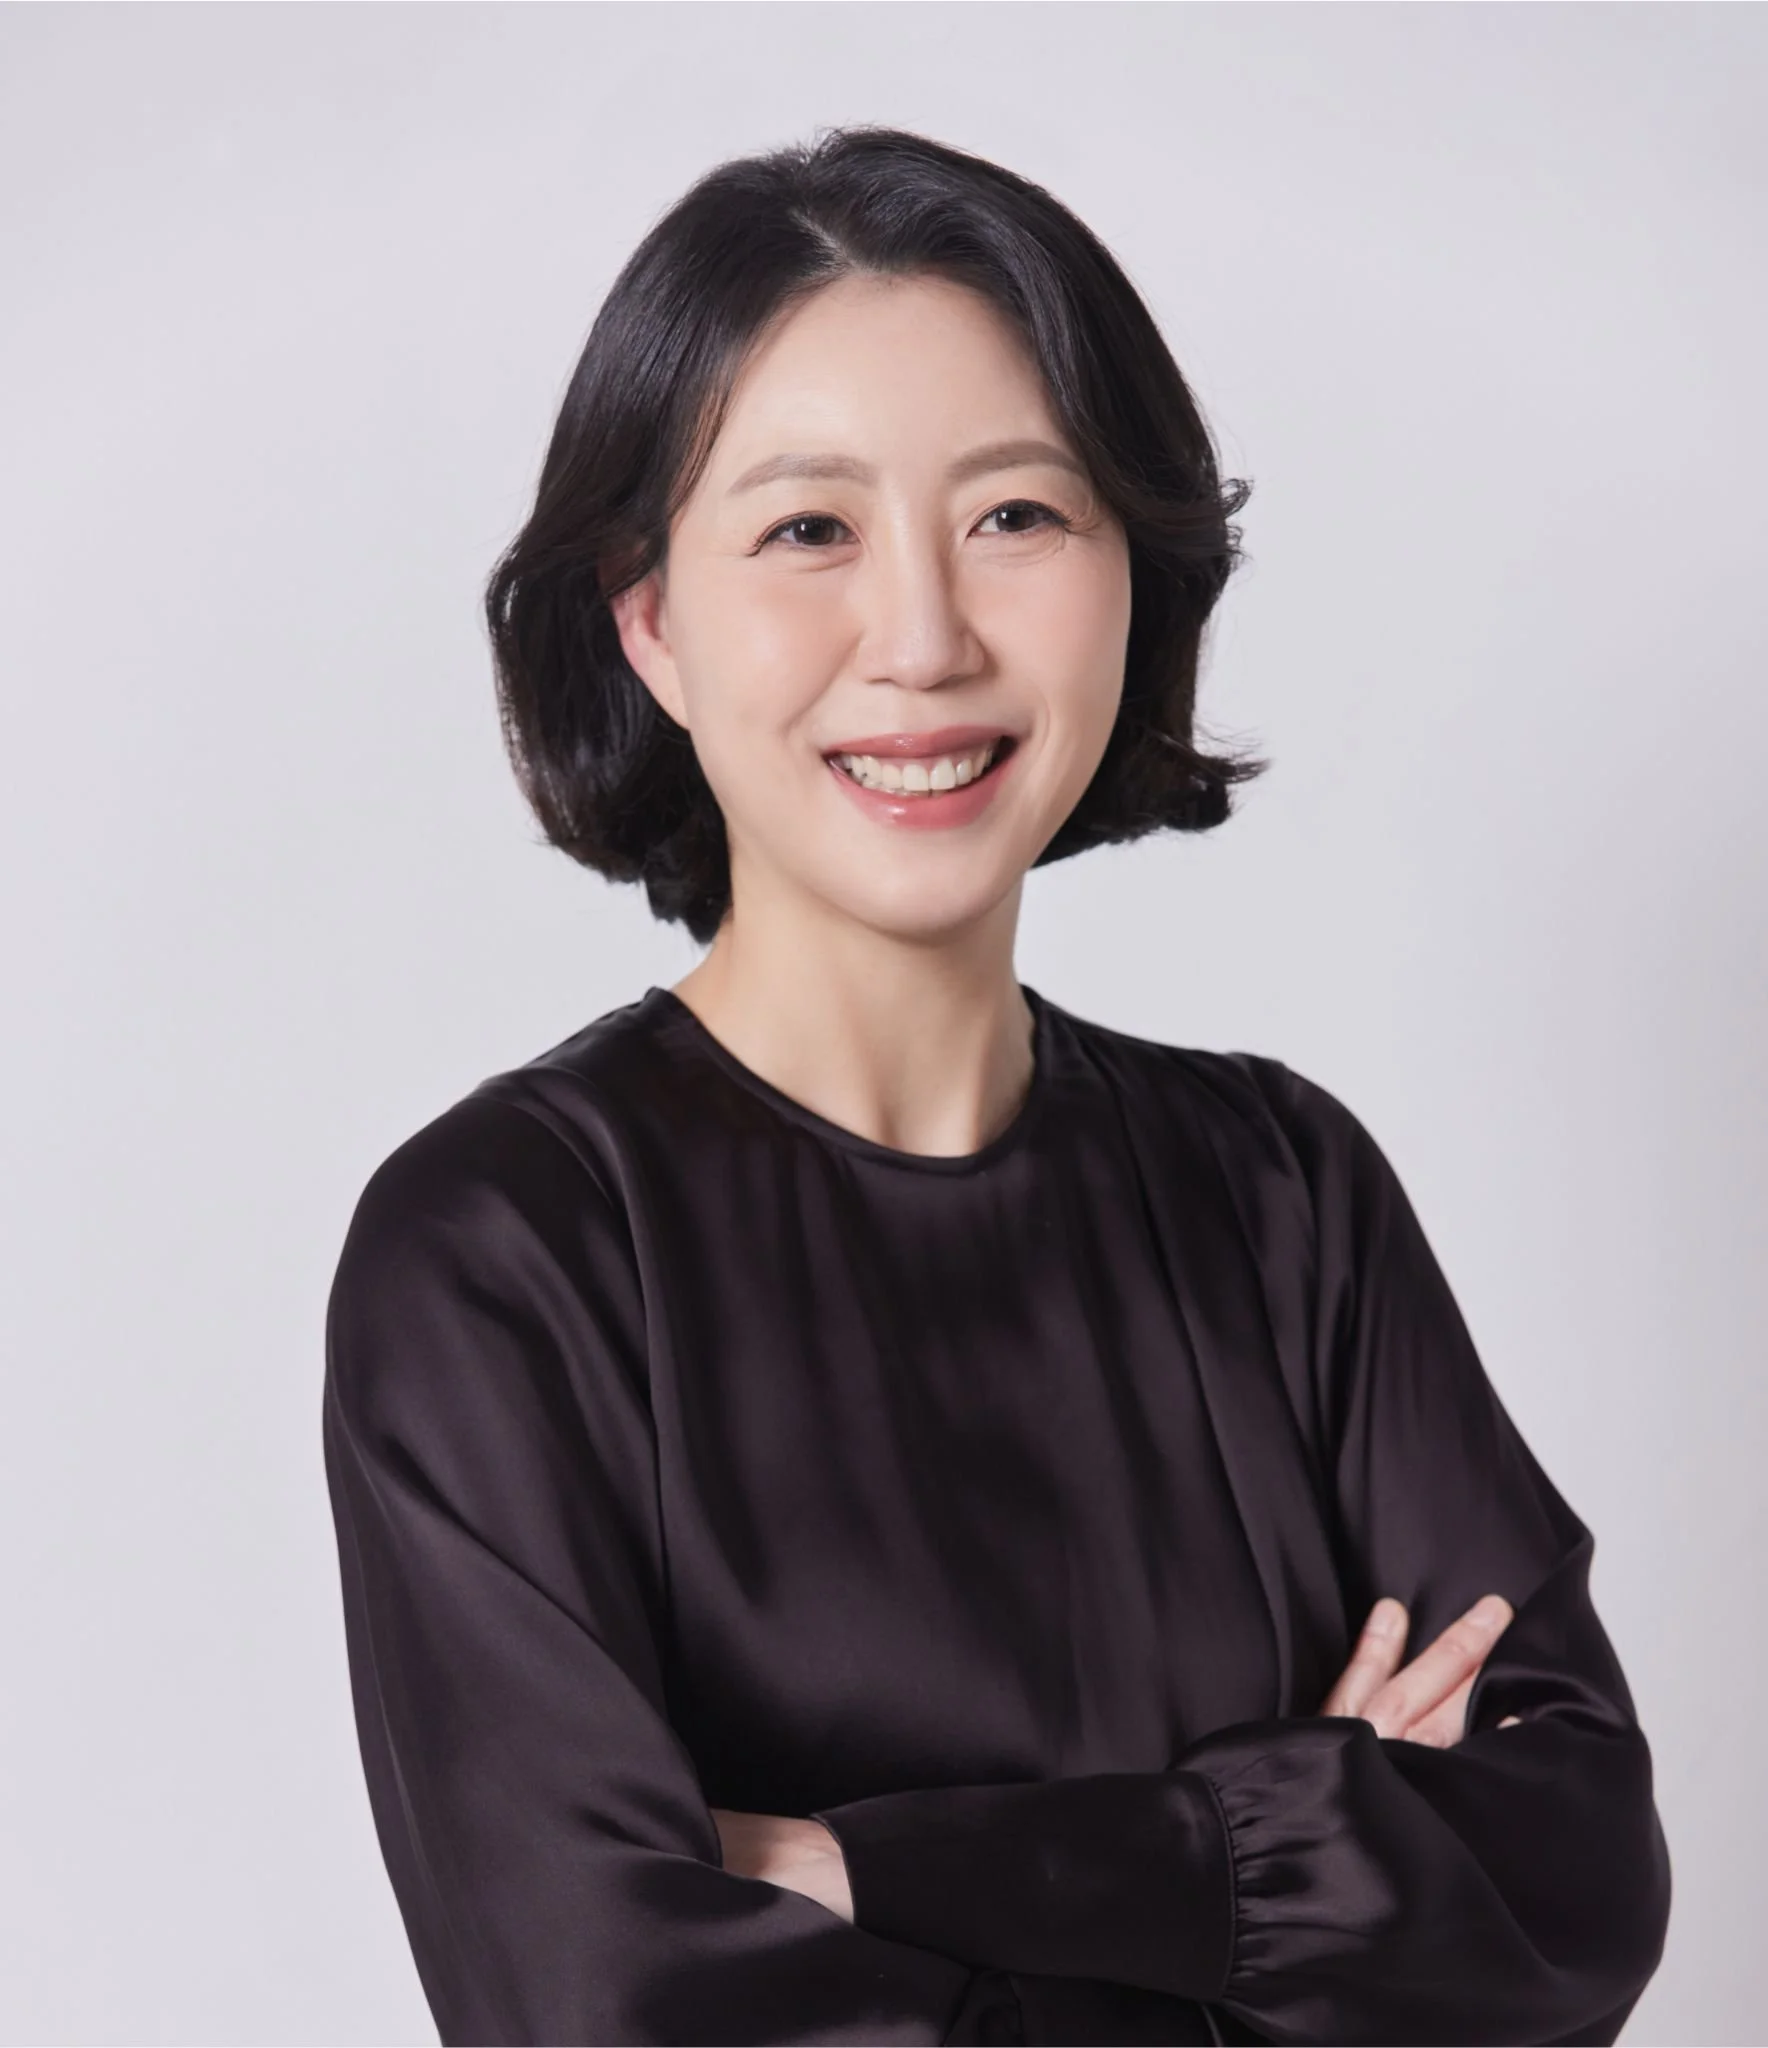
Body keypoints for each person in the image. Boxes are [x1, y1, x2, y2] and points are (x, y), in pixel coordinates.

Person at [321, 125, 1671, 2046]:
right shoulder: (509, 1252)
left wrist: (864, 1870)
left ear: (1135, 571)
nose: (929, 637)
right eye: (809, 530)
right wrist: (1288, 1857)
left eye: (1017, 516)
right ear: (648, 621)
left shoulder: (1285, 1191)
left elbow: (1574, 1893)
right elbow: (608, 2002)